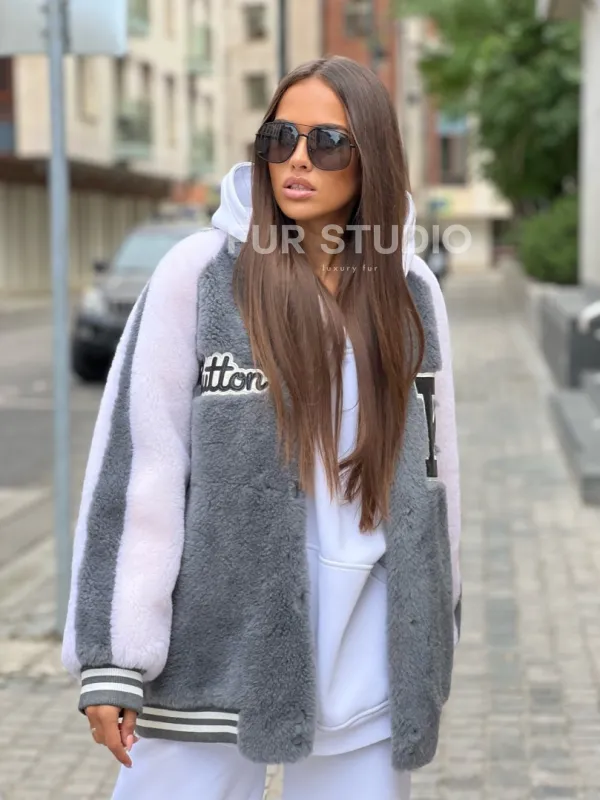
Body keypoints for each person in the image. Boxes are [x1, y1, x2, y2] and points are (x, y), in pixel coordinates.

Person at [62, 55, 462, 800]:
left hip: (365, 655)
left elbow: (438, 480)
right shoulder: (200, 274)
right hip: (214, 649)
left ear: (371, 158)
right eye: (280, 138)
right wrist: (114, 657)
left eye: (327, 142)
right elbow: (140, 467)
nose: (298, 159)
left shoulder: (410, 291)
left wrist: (436, 632)